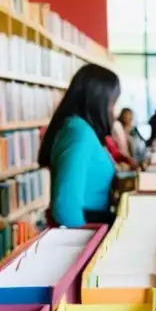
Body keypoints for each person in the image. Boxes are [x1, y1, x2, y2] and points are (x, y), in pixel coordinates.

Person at [38, 63, 120, 228]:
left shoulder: (79, 128)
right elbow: (65, 208)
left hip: (93, 221)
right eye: (112, 102)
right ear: (99, 99)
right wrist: (87, 245)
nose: (113, 110)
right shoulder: (78, 132)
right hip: (88, 226)